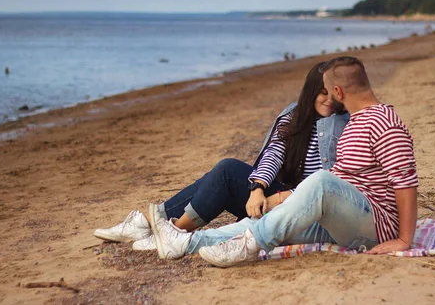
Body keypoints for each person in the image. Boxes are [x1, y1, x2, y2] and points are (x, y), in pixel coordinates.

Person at [148, 56, 419, 265]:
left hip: (374, 227)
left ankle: (251, 246)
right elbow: (342, 177)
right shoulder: (354, 124)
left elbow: (405, 183)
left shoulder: (384, 123)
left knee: (321, 180)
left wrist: (404, 239)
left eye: (326, 90)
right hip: (344, 219)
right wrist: (276, 198)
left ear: (337, 91)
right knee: (275, 221)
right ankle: (186, 242)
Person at [93, 61, 350, 250]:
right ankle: (153, 222)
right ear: (310, 92)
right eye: (321, 93)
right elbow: (274, 153)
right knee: (225, 173)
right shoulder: (294, 116)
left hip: (303, 206)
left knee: (226, 171)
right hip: (273, 197)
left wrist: (281, 197)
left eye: (331, 93)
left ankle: (171, 231)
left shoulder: (346, 124)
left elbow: (335, 178)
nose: (327, 100)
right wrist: (258, 187)